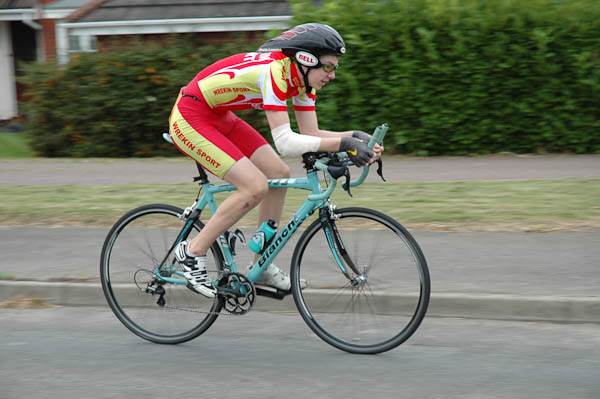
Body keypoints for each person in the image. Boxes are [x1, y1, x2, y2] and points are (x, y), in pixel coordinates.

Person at [168, 23, 384, 297]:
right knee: (255, 186)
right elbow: (285, 142)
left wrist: (354, 137)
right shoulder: (274, 73)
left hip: (220, 117)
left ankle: (262, 266)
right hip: (191, 116)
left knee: (277, 175)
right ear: (306, 60)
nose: (332, 75)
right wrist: (345, 144)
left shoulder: (303, 81)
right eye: (329, 67)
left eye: (335, 68)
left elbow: (310, 134)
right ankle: (192, 251)